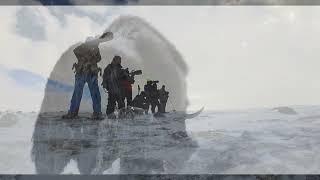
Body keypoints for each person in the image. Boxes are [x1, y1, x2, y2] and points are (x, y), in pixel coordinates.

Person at [62, 31, 113, 120]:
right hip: (82, 72)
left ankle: (97, 113)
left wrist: (93, 52)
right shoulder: (83, 47)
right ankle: (73, 113)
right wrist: (87, 56)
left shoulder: (95, 48)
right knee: (77, 93)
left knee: (95, 93)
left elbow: (98, 58)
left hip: (91, 72)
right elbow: (76, 51)